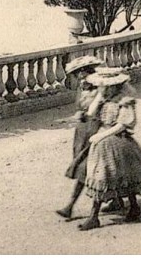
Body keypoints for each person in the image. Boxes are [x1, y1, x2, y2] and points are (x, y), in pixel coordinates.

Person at [78, 68, 141, 230]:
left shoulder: (125, 101)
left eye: (106, 86)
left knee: (114, 175)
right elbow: (90, 113)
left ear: (117, 86)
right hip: (103, 142)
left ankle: (96, 216)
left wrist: (101, 136)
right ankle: (132, 207)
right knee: (112, 175)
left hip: (118, 142)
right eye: (102, 86)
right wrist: (99, 97)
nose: (104, 88)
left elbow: (124, 124)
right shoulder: (105, 99)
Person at [55, 55, 106, 221]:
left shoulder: (101, 89)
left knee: (87, 169)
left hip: (95, 132)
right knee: (90, 169)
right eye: (77, 74)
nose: (79, 77)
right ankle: (119, 201)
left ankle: (70, 206)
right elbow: (81, 110)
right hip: (82, 133)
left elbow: (100, 111)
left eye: (81, 73)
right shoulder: (82, 89)